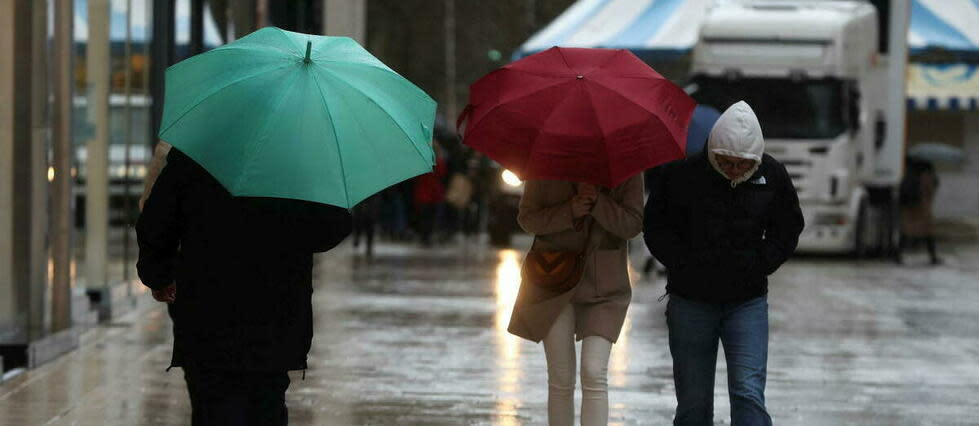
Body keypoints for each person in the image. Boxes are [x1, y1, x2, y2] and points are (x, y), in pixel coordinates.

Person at [136, 147, 352, 426]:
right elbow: (332, 227)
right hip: (275, 314)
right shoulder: (297, 158)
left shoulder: (196, 151)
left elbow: (155, 225)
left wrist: (159, 276)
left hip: (208, 313)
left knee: (213, 403)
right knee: (266, 403)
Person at [644, 101, 804, 426]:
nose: (734, 170)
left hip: (747, 302)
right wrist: (682, 263)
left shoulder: (771, 175)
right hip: (690, 302)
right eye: (726, 162)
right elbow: (656, 225)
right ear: (712, 153)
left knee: (747, 392)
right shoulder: (681, 175)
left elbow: (787, 228)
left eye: (742, 165)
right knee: (693, 402)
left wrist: (761, 261)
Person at [508, 174, 644, 426]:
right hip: (553, 280)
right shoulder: (547, 162)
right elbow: (527, 218)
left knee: (594, 371)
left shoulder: (625, 166)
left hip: (605, 284)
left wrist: (598, 203)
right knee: (560, 377)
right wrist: (569, 209)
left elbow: (633, 225)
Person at [897, 157, 941, 265]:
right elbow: (930, 191)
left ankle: (898, 255)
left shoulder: (909, 174)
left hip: (908, 209)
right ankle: (933, 257)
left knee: (905, 232)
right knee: (928, 234)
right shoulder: (926, 176)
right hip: (922, 208)